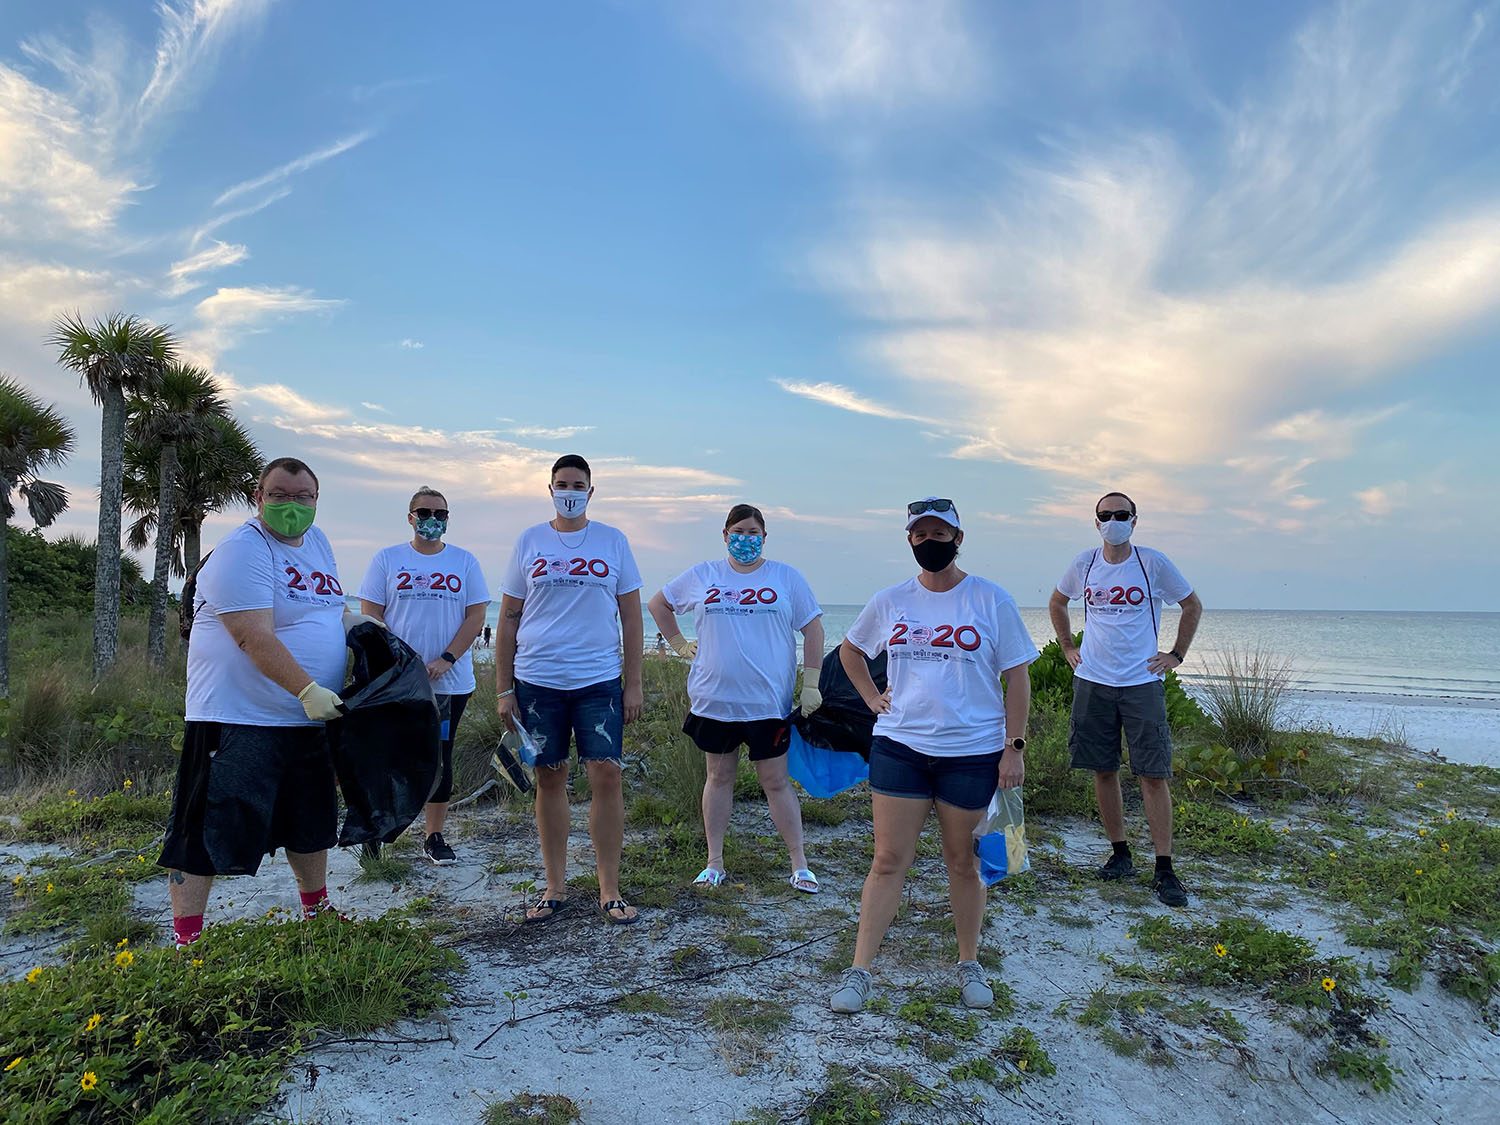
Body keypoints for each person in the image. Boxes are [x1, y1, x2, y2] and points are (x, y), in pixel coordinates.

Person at [829, 498, 1037, 1013]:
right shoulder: (891, 600)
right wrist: (872, 699)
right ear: (909, 541)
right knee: (887, 860)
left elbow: (1017, 676)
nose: (929, 543)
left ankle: (969, 963)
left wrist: (1014, 749)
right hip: (900, 746)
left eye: (939, 533)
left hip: (972, 753)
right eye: (920, 535)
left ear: (959, 538)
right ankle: (860, 972)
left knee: (964, 863)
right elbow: (851, 651)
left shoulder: (990, 600)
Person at [159, 457, 375, 946]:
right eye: (279, 495)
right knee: (204, 828)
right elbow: (252, 635)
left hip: (304, 723)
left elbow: (328, 606)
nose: (291, 505)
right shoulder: (242, 551)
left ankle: (316, 911)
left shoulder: (318, 543)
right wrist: (306, 689)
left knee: (310, 820)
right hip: (238, 718)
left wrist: (355, 626)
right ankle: (187, 938)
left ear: (317, 501)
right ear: (259, 498)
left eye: (302, 497)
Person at [647, 503, 826, 894]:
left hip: (767, 703)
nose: (746, 539)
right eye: (738, 531)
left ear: (764, 537)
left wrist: (811, 682)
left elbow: (813, 628)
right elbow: (658, 603)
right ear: (725, 535)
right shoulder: (705, 574)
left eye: (754, 532)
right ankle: (714, 863)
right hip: (715, 700)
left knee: (775, 781)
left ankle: (800, 864)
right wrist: (677, 643)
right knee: (719, 776)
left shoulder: (785, 577)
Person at [496, 454, 644, 924]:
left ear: (591, 491)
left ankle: (609, 888)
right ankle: (555, 886)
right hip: (538, 679)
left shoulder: (613, 541)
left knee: (607, 775)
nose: (570, 490)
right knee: (550, 777)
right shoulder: (530, 540)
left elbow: (632, 615)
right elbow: (508, 618)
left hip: (598, 679)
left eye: (578, 484)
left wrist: (634, 682)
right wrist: (503, 687)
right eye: (562, 483)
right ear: (550, 487)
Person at [1048, 491, 1203, 908]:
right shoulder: (1085, 563)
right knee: (1103, 769)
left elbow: (1191, 605)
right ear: (1095, 522)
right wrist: (1066, 646)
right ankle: (1120, 854)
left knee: (1153, 774)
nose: (1113, 520)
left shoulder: (1152, 562)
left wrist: (1176, 655)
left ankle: (1165, 867)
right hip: (1093, 680)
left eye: (1122, 514)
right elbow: (1058, 602)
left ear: (1134, 520)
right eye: (1106, 515)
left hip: (1141, 681)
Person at [358, 486, 490, 865]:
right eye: (425, 511)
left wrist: (447, 658)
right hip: (397, 681)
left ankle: (434, 836)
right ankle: (377, 832)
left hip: (449, 683)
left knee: (438, 758)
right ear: (410, 516)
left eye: (441, 513)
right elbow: (371, 613)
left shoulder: (464, 562)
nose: (433, 519)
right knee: (389, 756)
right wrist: (402, 662)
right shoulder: (387, 559)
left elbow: (476, 616)